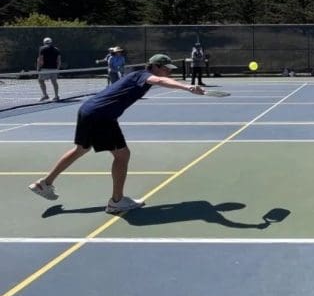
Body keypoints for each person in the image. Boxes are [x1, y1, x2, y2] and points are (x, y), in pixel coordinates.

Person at [28, 54, 205, 213]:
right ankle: (117, 201)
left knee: (80, 149)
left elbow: (160, 81)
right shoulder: (143, 76)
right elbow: (160, 82)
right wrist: (187, 87)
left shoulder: (137, 77)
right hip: (102, 116)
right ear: (156, 66)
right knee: (122, 155)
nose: (169, 72)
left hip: (88, 110)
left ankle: (44, 183)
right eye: (166, 69)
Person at [37, 37, 61, 101]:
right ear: (51, 42)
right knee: (54, 82)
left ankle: (45, 95)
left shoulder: (42, 48)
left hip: (45, 69)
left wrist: (38, 68)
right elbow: (58, 61)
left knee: (40, 81)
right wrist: (58, 70)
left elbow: (40, 60)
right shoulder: (57, 49)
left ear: (44, 43)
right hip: (54, 69)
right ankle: (56, 96)